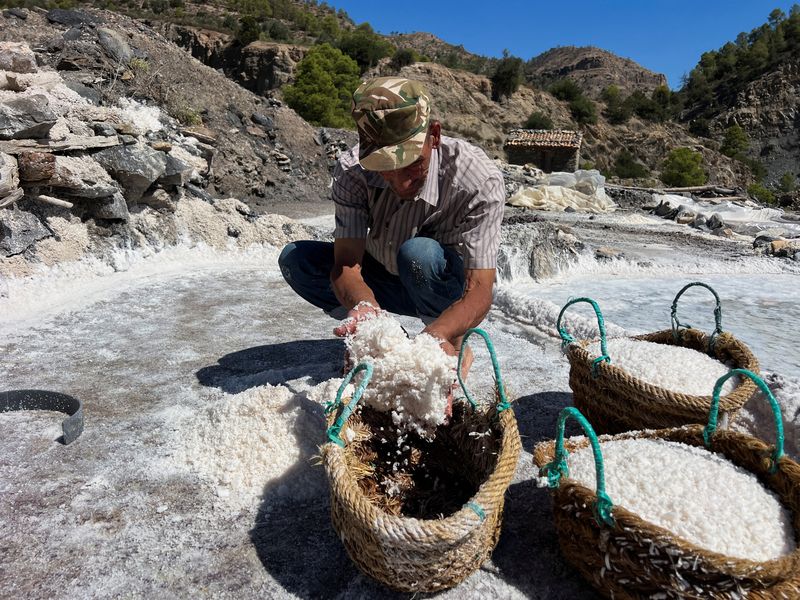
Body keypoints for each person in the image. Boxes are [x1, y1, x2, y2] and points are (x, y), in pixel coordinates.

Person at [278, 76, 505, 382]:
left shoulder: (478, 181)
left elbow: (479, 289)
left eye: (412, 164)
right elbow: (346, 263)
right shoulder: (352, 171)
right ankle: (387, 333)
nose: (401, 183)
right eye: (384, 168)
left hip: (441, 288)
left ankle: (451, 341)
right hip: (383, 279)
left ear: (434, 135)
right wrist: (366, 313)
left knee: (418, 254)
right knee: (298, 261)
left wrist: (436, 336)